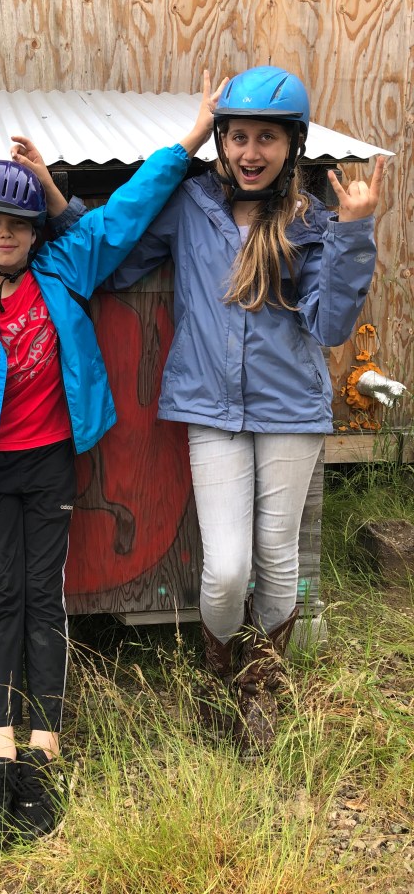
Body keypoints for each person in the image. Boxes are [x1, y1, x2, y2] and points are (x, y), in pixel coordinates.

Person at [0, 73, 224, 855]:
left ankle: (44, 752)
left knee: (44, 598)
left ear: (34, 229)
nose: (6, 234)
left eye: (19, 223)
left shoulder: (64, 268)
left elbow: (128, 211)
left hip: (50, 467)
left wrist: (193, 138)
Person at [54, 65, 386, 754]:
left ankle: (257, 688)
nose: (250, 152)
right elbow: (116, 258)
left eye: (267, 138)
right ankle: (218, 674)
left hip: (290, 411)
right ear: (221, 141)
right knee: (228, 567)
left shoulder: (311, 221)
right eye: (238, 137)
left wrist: (354, 234)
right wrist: (61, 210)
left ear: (292, 145)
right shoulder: (190, 206)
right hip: (210, 408)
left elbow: (328, 326)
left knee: (278, 557)